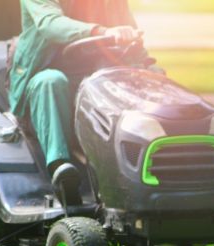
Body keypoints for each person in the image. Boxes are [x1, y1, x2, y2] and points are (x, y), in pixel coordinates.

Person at [8, 0, 142, 198]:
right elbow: (51, 24)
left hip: (95, 80)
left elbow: (131, 38)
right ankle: (61, 170)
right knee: (51, 81)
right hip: (43, 79)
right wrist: (101, 31)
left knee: (119, 86)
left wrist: (147, 68)